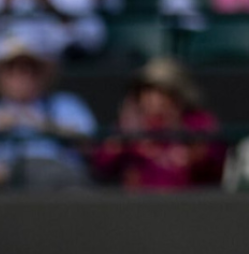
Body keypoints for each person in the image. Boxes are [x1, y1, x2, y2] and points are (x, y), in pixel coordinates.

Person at [0, 34, 96, 189]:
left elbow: (90, 145)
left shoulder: (65, 104)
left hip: (61, 183)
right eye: (12, 69)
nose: (23, 76)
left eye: (30, 68)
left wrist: (44, 125)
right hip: (7, 185)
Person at [90, 57, 226, 190]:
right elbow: (101, 166)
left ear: (176, 94)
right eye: (146, 91)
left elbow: (215, 162)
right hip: (137, 206)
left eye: (160, 91)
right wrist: (121, 140)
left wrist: (189, 153)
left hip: (188, 205)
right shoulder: (128, 127)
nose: (152, 98)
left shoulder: (198, 122)